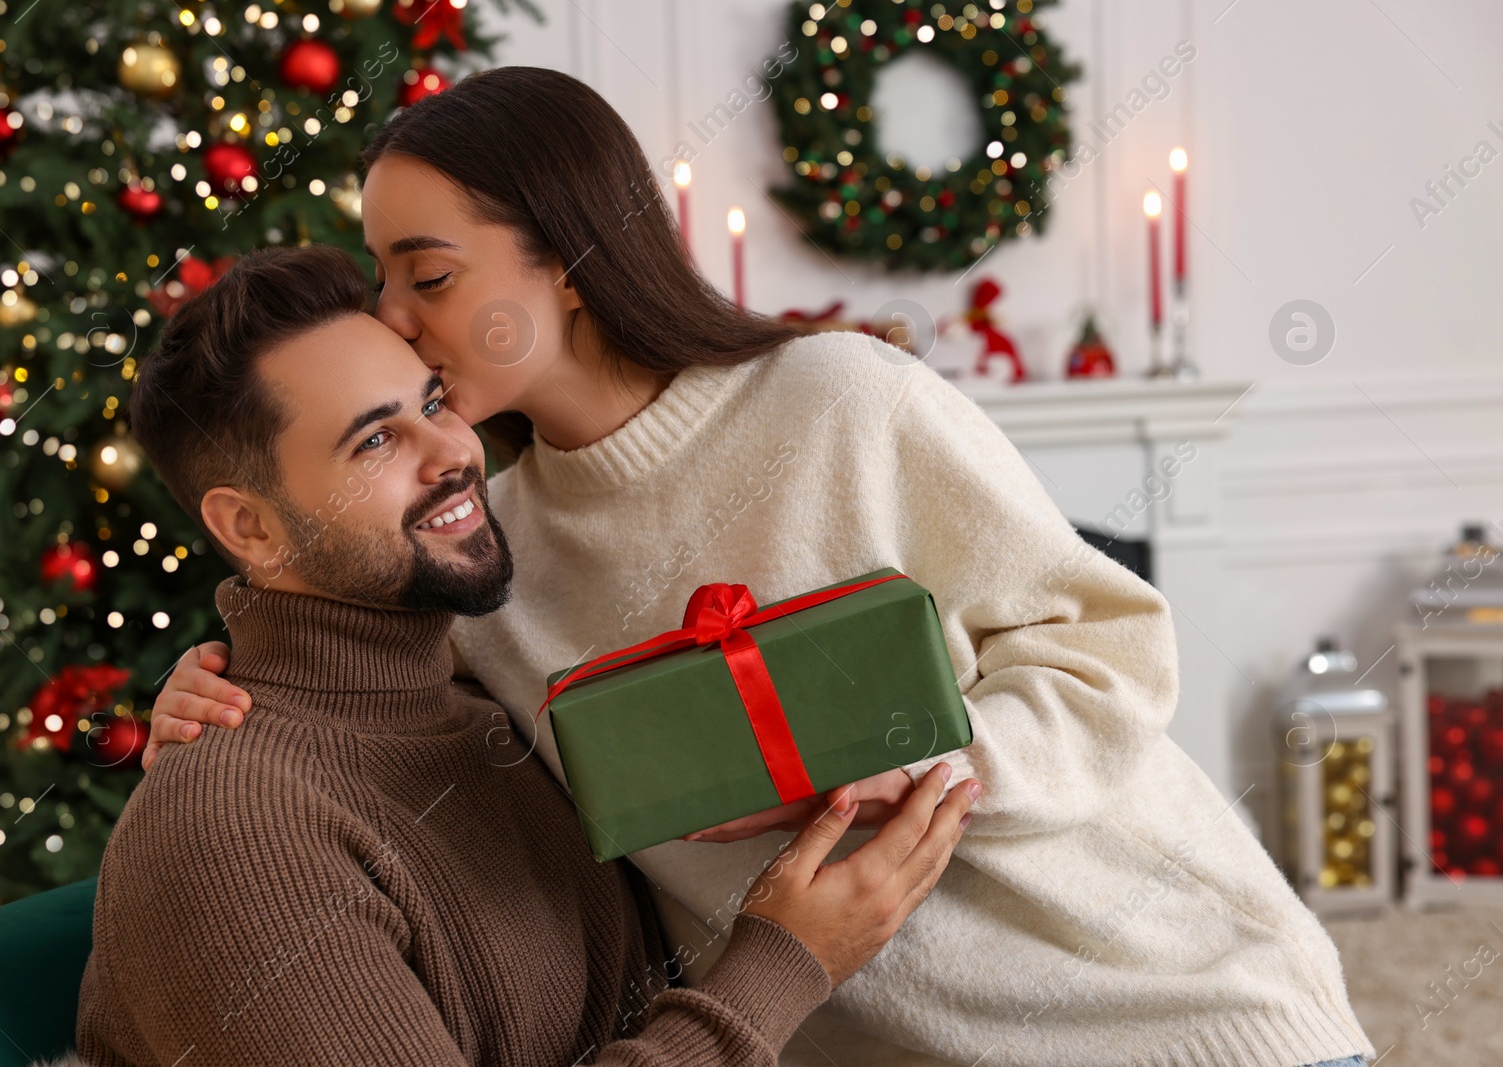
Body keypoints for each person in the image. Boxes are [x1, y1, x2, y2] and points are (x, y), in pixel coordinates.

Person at [146, 67, 1374, 1067]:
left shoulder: (839, 400)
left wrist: (907, 774)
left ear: (565, 261)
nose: (396, 318)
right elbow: (354, 681)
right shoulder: (484, 568)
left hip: (1178, 1013)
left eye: (431, 275)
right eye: (384, 281)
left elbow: (1107, 645)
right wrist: (205, 680)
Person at [72, 245, 978, 1067]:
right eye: (377, 439)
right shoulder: (232, 834)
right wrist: (783, 963)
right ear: (250, 527)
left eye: (431, 402)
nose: (454, 451)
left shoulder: (490, 705)